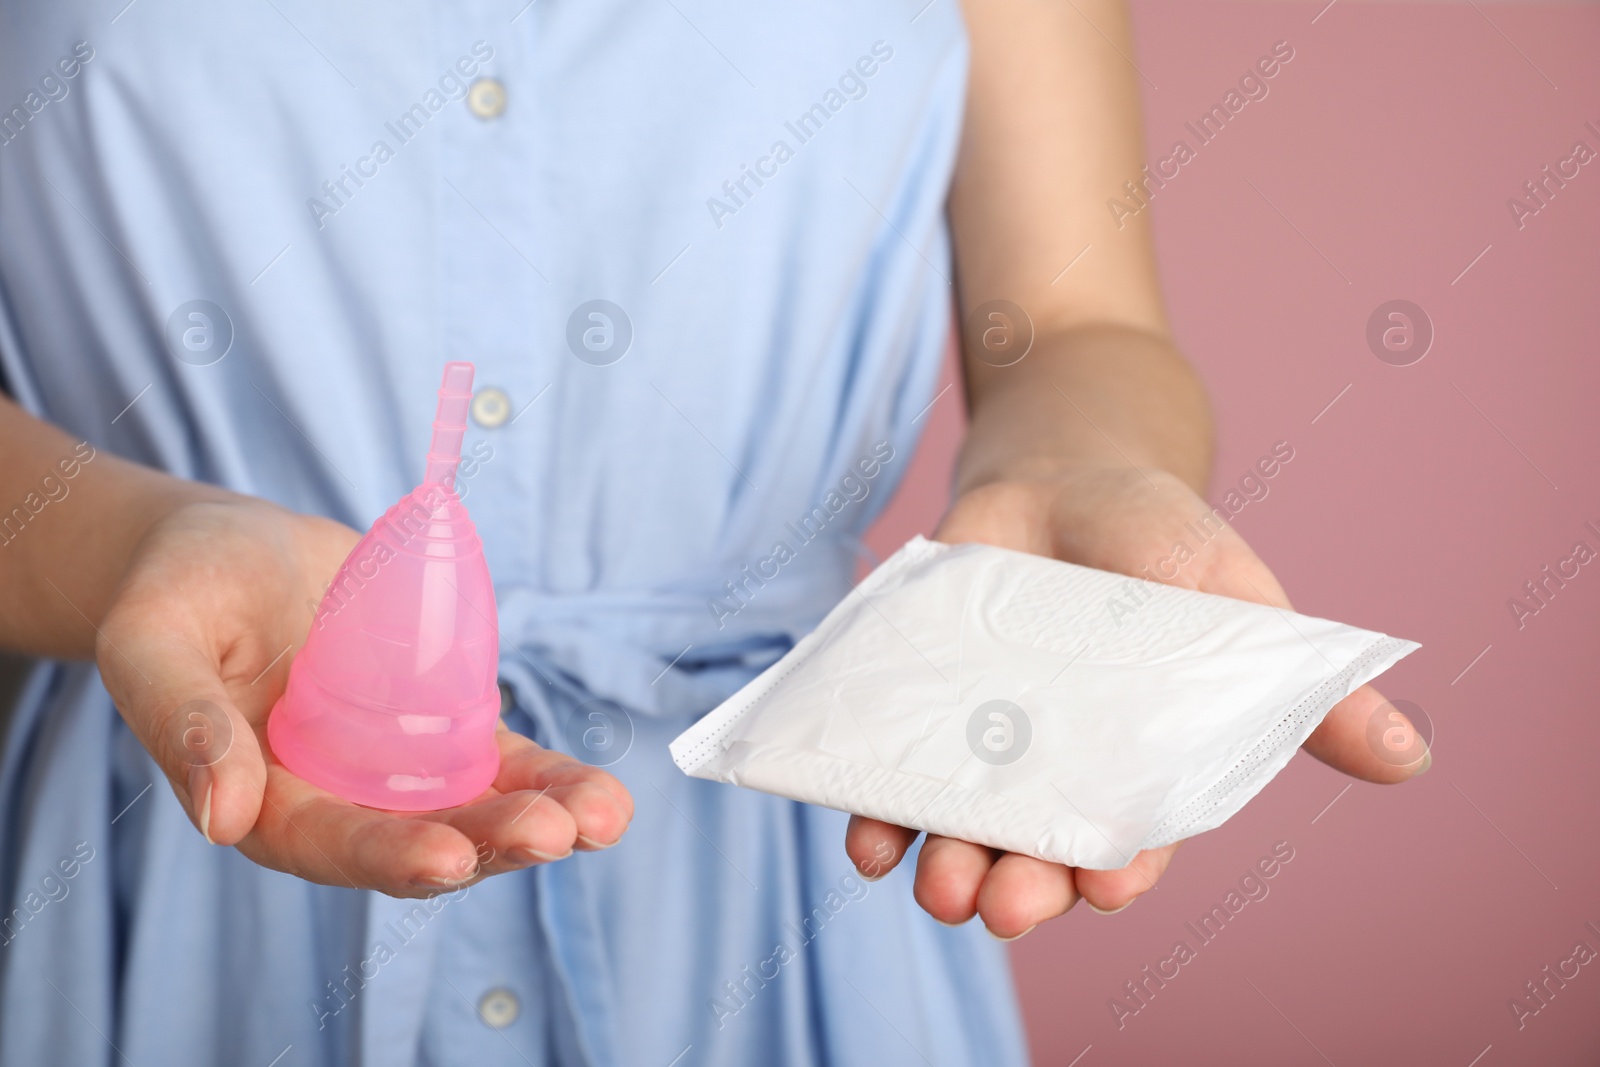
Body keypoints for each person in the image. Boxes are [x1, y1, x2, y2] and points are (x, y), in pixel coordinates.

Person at [0, 0, 1426, 1063]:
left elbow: (1072, 322)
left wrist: (1076, 462)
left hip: (795, 893)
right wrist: (130, 544)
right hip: (168, 854)